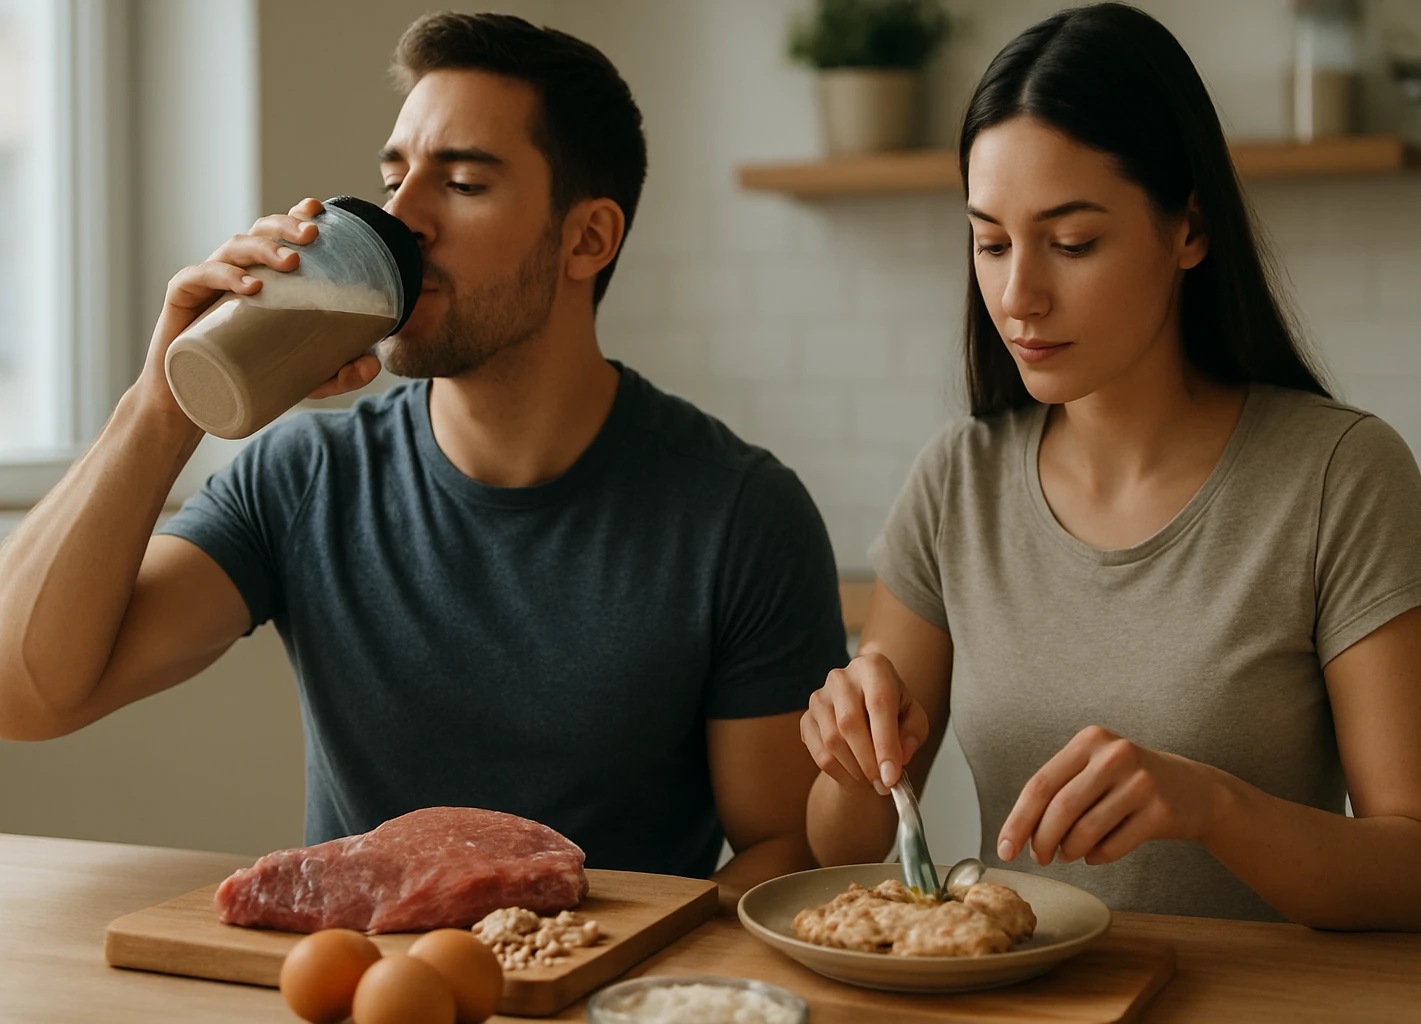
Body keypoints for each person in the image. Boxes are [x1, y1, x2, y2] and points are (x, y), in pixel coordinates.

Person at [0, 12, 846, 912]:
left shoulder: (738, 513)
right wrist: (163, 405)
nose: (402, 221)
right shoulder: (306, 478)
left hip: (607, 981)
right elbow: (26, 696)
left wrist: (593, 963)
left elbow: (783, 846)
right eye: (393, 179)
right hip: (353, 979)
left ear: (587, 239)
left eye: (465, 183)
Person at [800, 2, 1421, 933]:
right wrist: (849, 759)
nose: (1018, 295)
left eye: (1072, 243)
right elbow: (840, 851)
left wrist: (1213, 806)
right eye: (990, 242)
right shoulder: (958, 481)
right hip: (1022, 995)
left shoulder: (1340, 476)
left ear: (1189, 228)